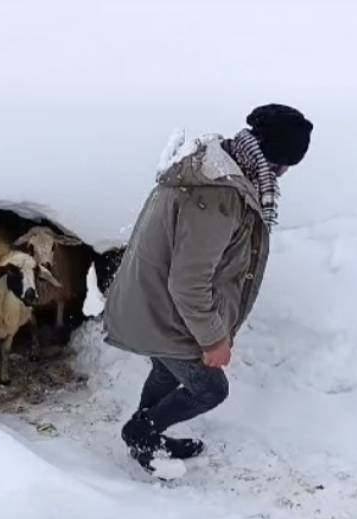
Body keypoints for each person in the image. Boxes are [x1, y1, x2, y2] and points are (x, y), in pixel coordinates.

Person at [102, 104, 313, 473]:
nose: (287, 174)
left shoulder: (223, 169)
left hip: (156, 305)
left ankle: (147, 441)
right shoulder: (219, 196)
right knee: (211, 389)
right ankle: (141, 432)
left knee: (167, 372)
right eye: (289, 164)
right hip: (163, 309)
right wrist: (214, 338)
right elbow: (188, 281)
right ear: (277, 159)